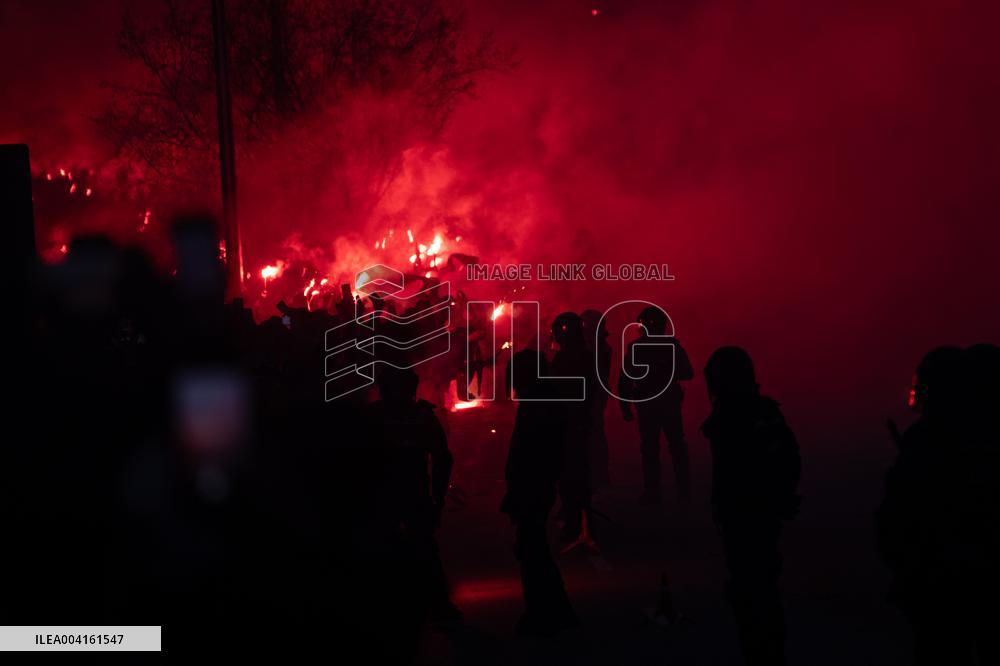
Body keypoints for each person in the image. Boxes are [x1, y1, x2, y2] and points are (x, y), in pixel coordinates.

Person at [876, 345, 999, 666]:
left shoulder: (928, 440)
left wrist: (906, 565)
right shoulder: (974, 438)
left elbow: (898, 516)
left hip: (942, 583)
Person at [702, 346, 800, 666]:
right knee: (754, 589)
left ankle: (765, 656)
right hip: (750, 511)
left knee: (754, 591)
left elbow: (779, 461)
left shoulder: (745, 415)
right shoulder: (755, 412)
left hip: (749, 513)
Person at [364, 367, 460, 645]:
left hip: (394, 495)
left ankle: (421, 606)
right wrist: (437, 499)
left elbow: (442, 458)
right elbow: (442, 459)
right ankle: (432, 605)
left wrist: (437, 498)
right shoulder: (416, 417)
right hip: (397, 494)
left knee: (409, 548)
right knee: (416, 548)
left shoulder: (378, 417)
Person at [502, 349, 579, 637]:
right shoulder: (541, 400)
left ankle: (547, 613)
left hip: (534, 486)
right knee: (533, 549)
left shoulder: (541, 404)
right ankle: (553, 611)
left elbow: (534, 452)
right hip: (533, 486)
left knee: (532, 550)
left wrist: (521, 489)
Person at [618, 306, 694, 505]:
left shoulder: (636, 348)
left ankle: (655, 492)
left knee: (652, 448)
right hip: (667, 403)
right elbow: (687, 373)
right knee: (675, 446)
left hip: (649, 404)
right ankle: (682, 491)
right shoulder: (672, 346)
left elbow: (625, 380)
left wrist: (625, 405)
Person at [550, 312, 596, 541]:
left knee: (569, 473)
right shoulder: (585, 356)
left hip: (569, 421)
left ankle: (575, 520)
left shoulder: (567, 359)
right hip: (577, 420)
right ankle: (580, 517)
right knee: (578, 470)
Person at [581, 309, 612, 489]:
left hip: (593, 393)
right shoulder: (599, 344)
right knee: (595, 433)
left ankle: (598, 476)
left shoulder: (596, 346)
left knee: (593, 434)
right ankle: (598, 476)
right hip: (595, 393)